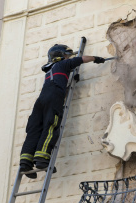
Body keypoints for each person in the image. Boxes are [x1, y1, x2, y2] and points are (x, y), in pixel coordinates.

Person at [20, 44, 105, 179]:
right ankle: (42, 159)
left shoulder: (49, 70)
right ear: (59, 55)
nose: (68, 57)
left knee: (34, 130)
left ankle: (25, 162)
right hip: (53, 97)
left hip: (41, 100)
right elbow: (81, 59)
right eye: (66, 55)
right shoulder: (64, 64)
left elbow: (56, 85)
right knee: (50, 125)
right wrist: (96, 58)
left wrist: (69, 84)